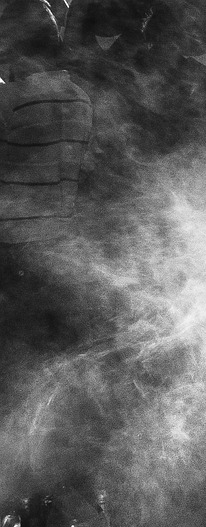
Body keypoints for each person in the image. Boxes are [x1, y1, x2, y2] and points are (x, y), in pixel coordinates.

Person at [0, 0, 95, 349]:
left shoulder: (9, 100)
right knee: (46, 335)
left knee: (15, 334)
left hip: (12, 239)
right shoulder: (80, 98)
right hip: (59, 235)